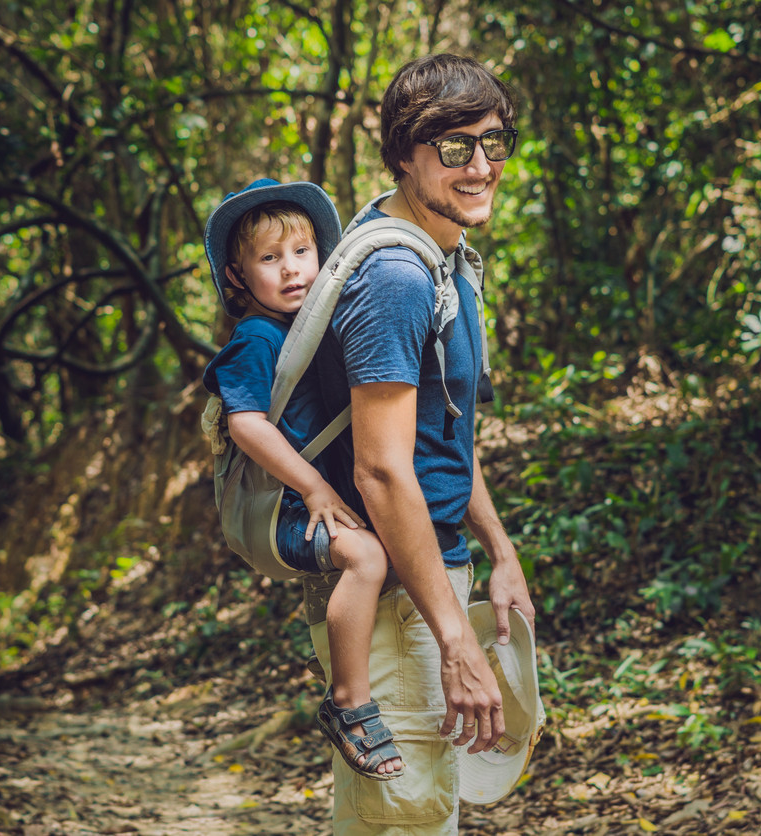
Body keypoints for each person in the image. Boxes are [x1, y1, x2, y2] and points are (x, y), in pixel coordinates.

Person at [304, 54, 536, 833]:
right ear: (404, 155)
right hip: (399, 607)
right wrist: (454, 640)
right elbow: (381, 470)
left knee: (407, 817)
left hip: (425, 588)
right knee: (405, 819)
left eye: (494, 143)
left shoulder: (447, 260)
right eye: (455, 148)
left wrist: (499, 551)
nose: (481, 166)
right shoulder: (397, 278)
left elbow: (446, 434)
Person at [202, 179, 405, 780]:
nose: (291, 269)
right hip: (284, 512)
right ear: (238, 276)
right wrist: (315, 488)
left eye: (302, 252)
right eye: (269, 258)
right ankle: (348, 703)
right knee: (365, 557)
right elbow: (246, 424)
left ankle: (342, 662)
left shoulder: (311, 330)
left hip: (316, 502)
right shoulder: (257, 338)